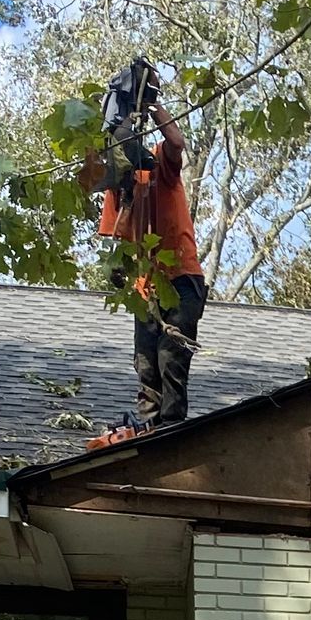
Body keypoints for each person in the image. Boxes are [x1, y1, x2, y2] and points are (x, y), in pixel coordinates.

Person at [81, 64, 209, 429]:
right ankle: (150, 429)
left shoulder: (159, 165)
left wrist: (153, 108)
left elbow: (177, 144)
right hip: (146, 289)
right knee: (145, 362)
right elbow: (118, 239)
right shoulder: (119, 184)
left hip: (181, 279)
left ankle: (170, 429)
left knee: (172, 355)